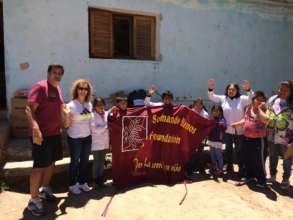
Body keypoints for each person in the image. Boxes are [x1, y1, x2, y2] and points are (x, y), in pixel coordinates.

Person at [26, 64, 66, 216]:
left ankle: (45, 188)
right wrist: (35, 128)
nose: (57, 75)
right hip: (41, 135)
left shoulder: (57, 89)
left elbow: (61, 106)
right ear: (48, 73)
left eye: (60, 73)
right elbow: (29, 109)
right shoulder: (40, 87)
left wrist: (67, 112)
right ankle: (33, 200)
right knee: (39, 166)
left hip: (55, 133)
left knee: (51, 162)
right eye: (55, 72)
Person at [207, 79, 253, 177]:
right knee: (228, 150)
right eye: (229, 89)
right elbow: (212, 97)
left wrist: (248, 89)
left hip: (239, 131)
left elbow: (251, 98)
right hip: (227, 131)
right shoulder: (224, 98)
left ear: (237, 90)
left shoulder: (242, 99)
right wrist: (210, 88)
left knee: (239, 150)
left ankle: (241, 168)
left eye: (233, 89)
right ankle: (229, 167)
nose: (231, 91)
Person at [258, 81, 293, 189]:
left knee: (287, 158)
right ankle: (272, 175)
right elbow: (267, 112)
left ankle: (285, 178)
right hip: (272, 134)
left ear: (291, 92)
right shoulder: (273, 99)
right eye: (280, 89)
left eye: (285, 90)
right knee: (273, 156)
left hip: (287, 137)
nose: (282, 92)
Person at [231, 91, 268, 187]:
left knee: (259, 161)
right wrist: (237, 124)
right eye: (257, 99)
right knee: (247, 159)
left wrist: (259, 108)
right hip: (246, 138)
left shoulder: (266, 110)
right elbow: (245, 119)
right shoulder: (248, 108)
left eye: (262, 100)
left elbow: (265, 120)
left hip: (259, 140)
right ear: (253, 100)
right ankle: (248, 176)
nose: (259, 101)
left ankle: (262, 180)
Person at [64, 79, 93, 194]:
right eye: (80, 88)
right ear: (76, 90)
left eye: (85, 89)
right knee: (75, 161)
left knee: (85, 161)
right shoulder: (71, 105)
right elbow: (66, 125)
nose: (83, 91)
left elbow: (90, 121)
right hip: (75, 138)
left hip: (87, 137)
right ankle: (72, 184)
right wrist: (67, 116)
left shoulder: (88, 104)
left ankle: (82, 182)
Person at [186, 98, 209, 175]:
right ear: (194, 104)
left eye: (200, 104)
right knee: (191, 154)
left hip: (201, 138)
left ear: (202, 105)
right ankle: (190, 169)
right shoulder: (190, 112)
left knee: (200, 154)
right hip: (192, 137)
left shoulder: (205, 114)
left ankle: (201, 169)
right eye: (196, 104)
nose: (198, 106)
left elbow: (206, 126)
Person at [91, 97, 110, 188]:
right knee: (96, 162)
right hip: (96, 142)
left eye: (102, 104)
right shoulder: (92, 115)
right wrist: (106, 127)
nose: (100, 106)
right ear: (94, 106)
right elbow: (94, 129)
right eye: (98, 105)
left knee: (102, 161)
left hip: (105, 141)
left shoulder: (106, 114)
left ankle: (100, 180)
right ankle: (95, 181)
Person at [207, 105, 227, 176]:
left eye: (217, 111)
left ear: (220, 112)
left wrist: (221, 124)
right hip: (211, 140)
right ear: (212, 111)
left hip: (218, 141)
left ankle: (220, 169)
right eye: (214, 111)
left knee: (218, 155)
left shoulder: (222, 119)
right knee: (212, 155)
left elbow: (224, 127)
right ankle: (214, 167)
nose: (215, 112)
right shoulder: (210, 118)